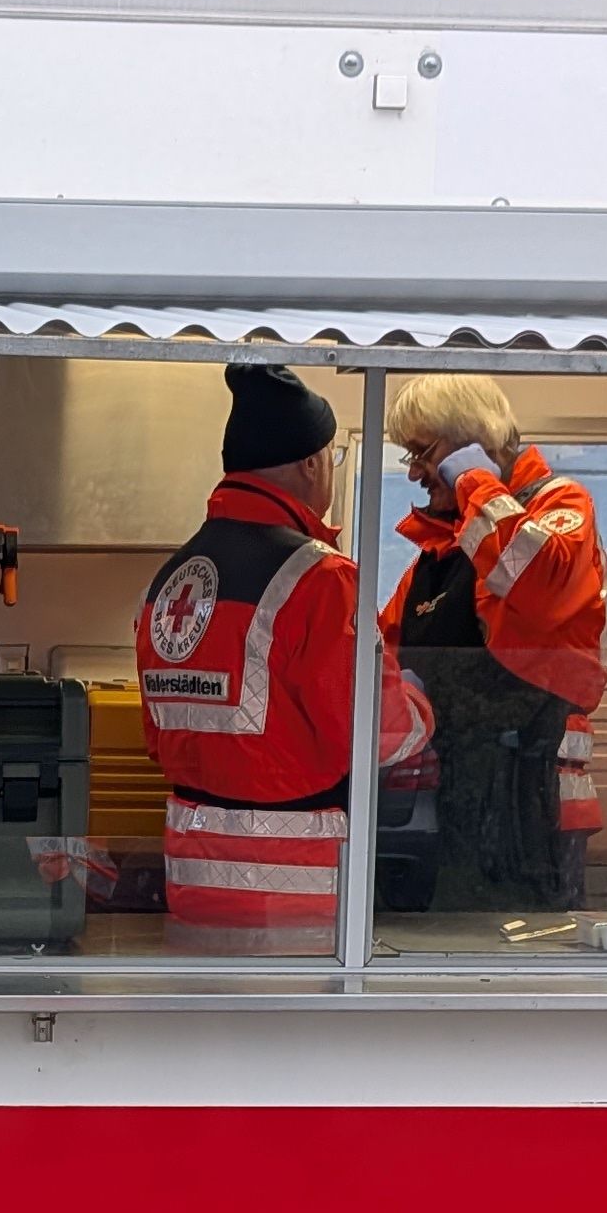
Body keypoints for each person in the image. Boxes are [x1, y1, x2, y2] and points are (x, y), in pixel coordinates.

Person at [132, 362, 428, 951]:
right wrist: (420, 700)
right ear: (312, 463)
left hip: (191, 883)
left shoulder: (169, 579)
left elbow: (160, 736)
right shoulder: (320, 579)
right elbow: (380, 734)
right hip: (295, 893)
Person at [376, 373, 607, 909]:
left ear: (472, 441)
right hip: (450, 805)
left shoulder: (562, 507)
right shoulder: (437, 555)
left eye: (423, 452)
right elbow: (380, 659)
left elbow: (537, 581)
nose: (413, 472)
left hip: (531, 809)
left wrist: (471, 478)